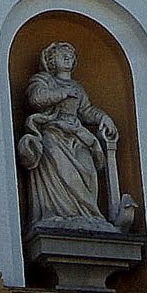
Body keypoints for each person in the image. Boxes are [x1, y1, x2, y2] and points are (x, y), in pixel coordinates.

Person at [16, 40, 120, 234]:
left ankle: (88, 214)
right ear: (51, 60)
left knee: (87, 169)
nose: (67, 58)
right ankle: (57, 213)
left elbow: (86, 111)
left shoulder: (77, 88)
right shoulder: (43, 80)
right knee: (60, 167)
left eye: (71, 56)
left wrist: (103, 118)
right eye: (62, 55)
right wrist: (62, 93)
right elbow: (36, 98)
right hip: (53, 132)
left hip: (77, 134)